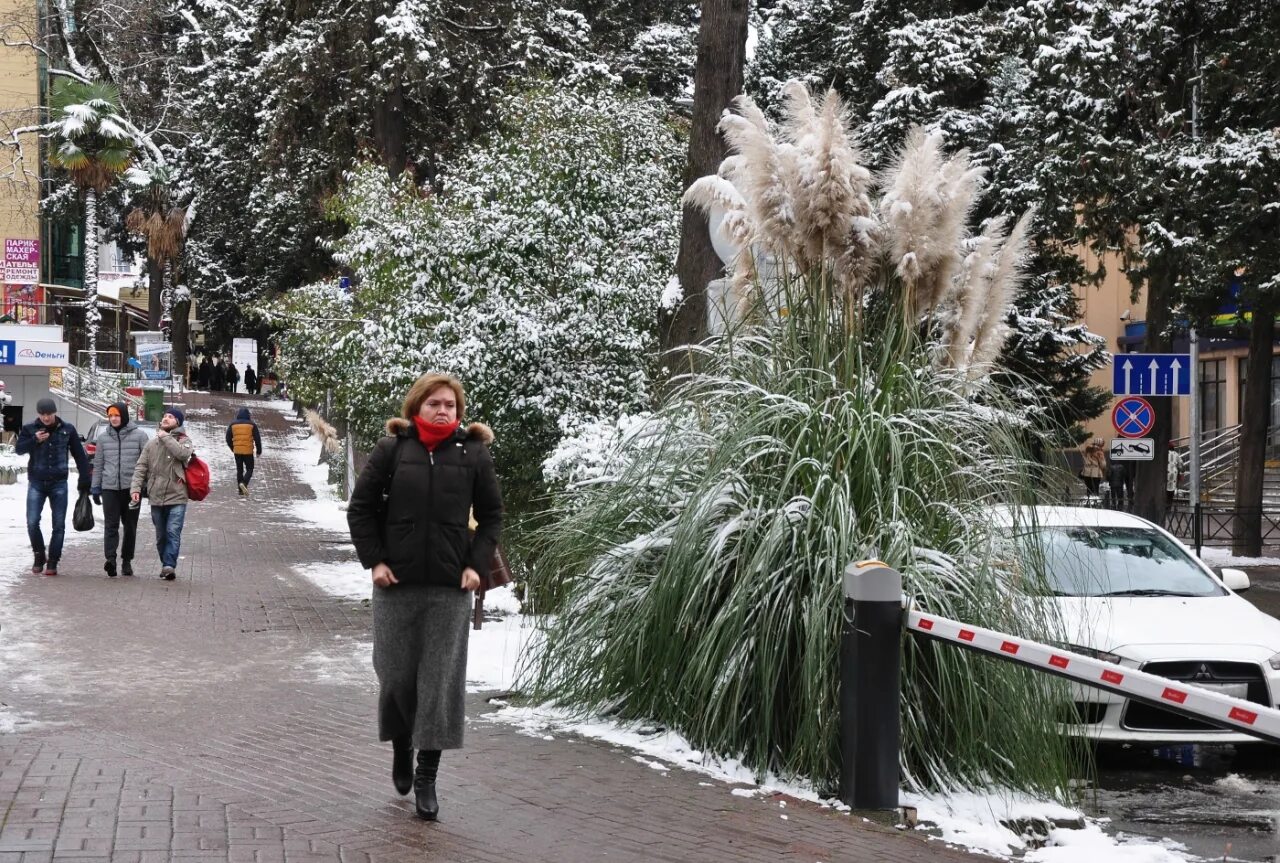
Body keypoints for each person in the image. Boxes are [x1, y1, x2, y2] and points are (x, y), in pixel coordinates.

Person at [346, 373, 502, 822]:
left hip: (450, 589)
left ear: (459, 411)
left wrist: (474, 565)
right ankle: (401, 743)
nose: (442, 411)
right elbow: (361, 508)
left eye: (450, 405)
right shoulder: (394, 449)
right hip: (395, 585)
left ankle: (427, 775)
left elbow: (491, 516)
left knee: (440, 683)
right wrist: (374, 560)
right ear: (418, 405)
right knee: (395, 676)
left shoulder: (473, 453)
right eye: (434, 403)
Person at [15, 397, 91, 576]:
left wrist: (84, 478)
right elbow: (19, 449)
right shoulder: (29, 429)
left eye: (49, 414)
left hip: (59, 483)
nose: (46, 418)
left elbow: (79, 455)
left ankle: (53, 561)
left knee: (59, 525)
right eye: (42, 414)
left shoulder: (67, 429)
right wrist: (35, 440)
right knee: (32, 522)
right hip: (37, 482)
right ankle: (39, 554)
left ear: (55, 412)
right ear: (38, 414)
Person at [131, 407, 195, 580]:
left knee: (173, 531)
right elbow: (141, 467)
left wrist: (166, 437)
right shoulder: (152, 444)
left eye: (171, 417)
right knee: (161, 536)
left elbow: (182, 454)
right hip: (156, 497)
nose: (166, 418)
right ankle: (165, 563)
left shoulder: (184, 440)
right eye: (165, 415)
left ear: (178, 422)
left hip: (177, 496)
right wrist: (136, 489)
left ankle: (169, 565)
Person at [90, 402, 149, 577]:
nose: (114, 419)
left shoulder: (140, 436)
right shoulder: (103, 438)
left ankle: (127, 561)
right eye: (110, 416)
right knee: (111, 525)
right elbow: (98, 464)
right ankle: (111, 559)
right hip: (109, 488)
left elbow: (147, 464)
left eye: (116, 415)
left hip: (132, 490)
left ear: (123, 416)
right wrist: (95, 487)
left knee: (130, 526)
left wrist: (144, 486)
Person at [225, 407, 262, 496]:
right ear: (248, 415)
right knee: (250, 468)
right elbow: (257, 439)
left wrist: (233, 448)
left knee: (239, 470)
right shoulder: (252, 425)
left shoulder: (233, 424)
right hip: (248, 451)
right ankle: (244, 483)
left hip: (237, 451)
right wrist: (259, 451)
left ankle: (240, 490)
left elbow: (228, 438)